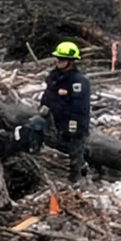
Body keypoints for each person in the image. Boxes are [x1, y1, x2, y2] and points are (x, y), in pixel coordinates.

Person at [40, 41, 91, 181]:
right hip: (54, 122)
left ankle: (78, 178)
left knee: (74, 152)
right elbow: (48, 96)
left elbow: (80, 107)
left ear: (71, 61)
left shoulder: (79, 82)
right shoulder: (54, 77)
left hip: (72, 123)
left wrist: (73, 126)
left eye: (62, 59)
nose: (59, 61)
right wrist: (43, 108)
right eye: (58, 58)